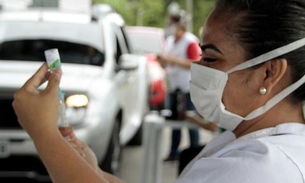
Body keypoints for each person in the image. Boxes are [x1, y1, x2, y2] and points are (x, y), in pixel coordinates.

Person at [12, 0, 305, 182]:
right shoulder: (248, 142)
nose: (198, 68)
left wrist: (43, 133)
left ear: (269, 72)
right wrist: (92, 170)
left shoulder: (257, 169)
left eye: (211, 58)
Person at [158, 14, 202, 161]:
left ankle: (195, 153)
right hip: (174, 87)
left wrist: (173, 60)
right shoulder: (170, 41)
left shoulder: (190, 41)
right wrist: (163, 61)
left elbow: (195, 63)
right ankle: (173, 153)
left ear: (179, 25)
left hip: (188, 88)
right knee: (175, 121)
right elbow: (166, 62)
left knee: (192, 121)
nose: (168, 27)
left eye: (170, 24)